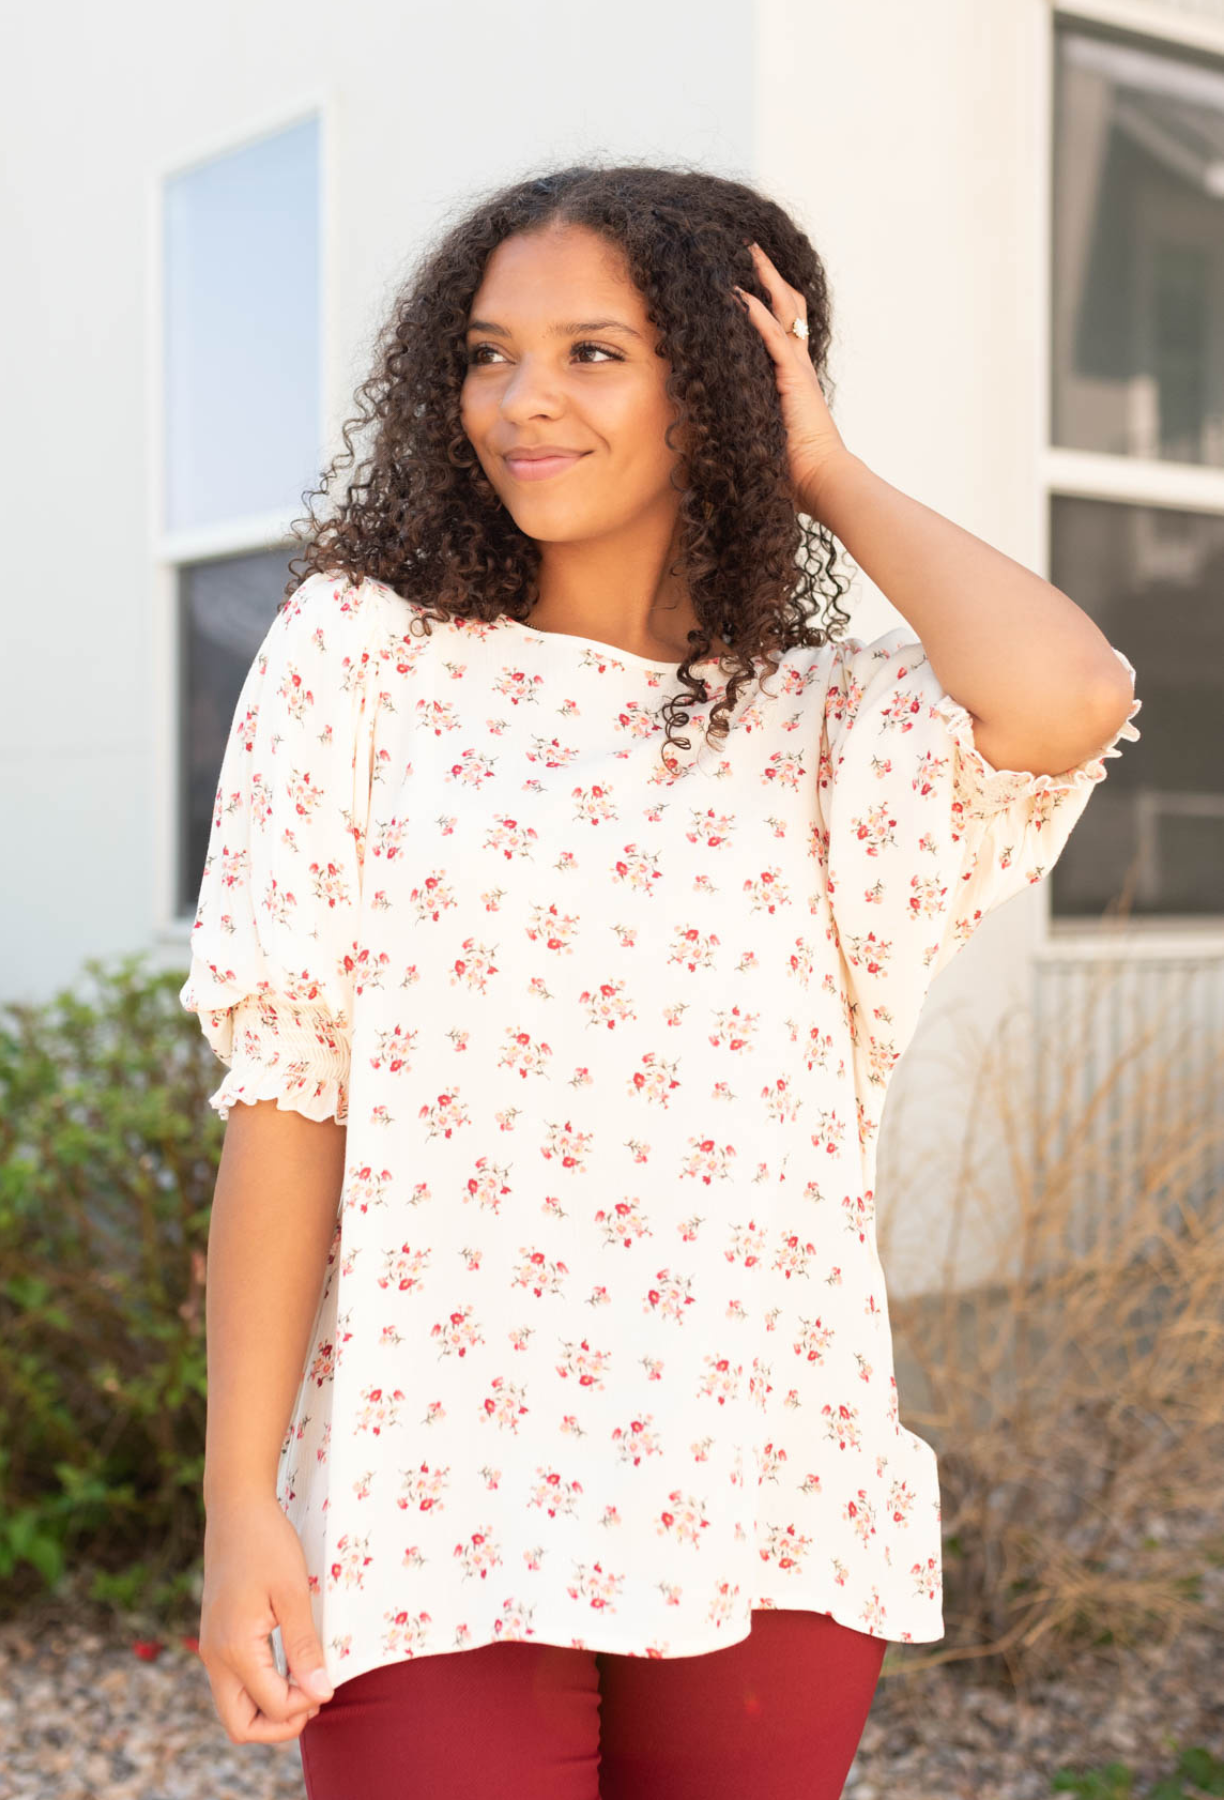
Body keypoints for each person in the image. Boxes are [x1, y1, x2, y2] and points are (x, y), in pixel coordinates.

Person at [180, 162, 1142, 1799]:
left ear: (724, 380)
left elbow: (1067, 694)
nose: (519, 403)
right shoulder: (363, 656)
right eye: (486, 355)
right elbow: (293, 1095)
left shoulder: (828, 725)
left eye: (593, 353)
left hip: (755, 1468)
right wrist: (239, 1501)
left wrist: (821, 463)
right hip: (434, 1477)